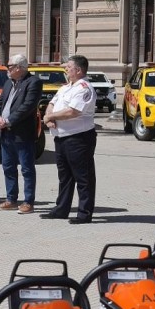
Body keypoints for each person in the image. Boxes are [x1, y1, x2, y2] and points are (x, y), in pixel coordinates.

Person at [41, 55, 97, 225]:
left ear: (78, 70)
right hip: (61, 137)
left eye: (68, 67)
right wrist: (48, 116)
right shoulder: (66, 87)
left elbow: (72, 111)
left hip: (79, 139)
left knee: (83, 177)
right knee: (64, 176)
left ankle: (84, 213)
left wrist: (50, 116)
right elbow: (52, 102)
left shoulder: (84, 88)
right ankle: (61, 209)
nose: (66, 69)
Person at [0, 54, 41, 214]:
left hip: (22, 134)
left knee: (27, 169)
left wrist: (8, 121)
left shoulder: (33, 82)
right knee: (8, 167)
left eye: (10, 66)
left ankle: (28, 202)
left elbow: (27, 107)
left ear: (19, 68)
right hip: (5, 133)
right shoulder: (8, 83)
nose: (8, 69)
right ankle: (11, 199)